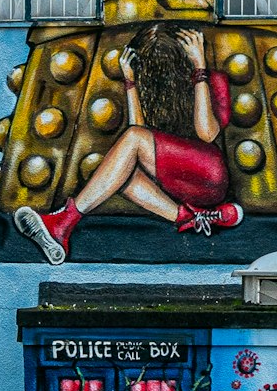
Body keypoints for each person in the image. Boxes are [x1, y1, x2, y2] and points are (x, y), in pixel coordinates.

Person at [14, 24, 243, 264]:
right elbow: (139, 134)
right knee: (119, 174)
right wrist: (130, 83)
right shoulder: (160, 92)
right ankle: (192, 217)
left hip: (209, 175)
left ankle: (64, 221)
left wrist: (200, 69)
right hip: (177, 178)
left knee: (130, 145)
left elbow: (206, 133)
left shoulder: (212, 80)